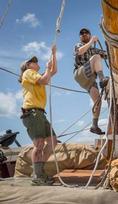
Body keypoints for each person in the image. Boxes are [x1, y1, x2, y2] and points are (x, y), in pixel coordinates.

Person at [19, 45, 58, 185]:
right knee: (39, 143)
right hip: (32, 112)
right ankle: (37, 176)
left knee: (52, 141)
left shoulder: (37, 75)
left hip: (39, 113)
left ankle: (39, 172)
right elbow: (45, 80)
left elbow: (54, 71)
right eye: (33, 61)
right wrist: (47, 69)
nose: (36, 62)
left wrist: (54, 54)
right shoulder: (28, 72)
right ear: (28, 65)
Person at [74, 28, 108, 135]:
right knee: (96, 57)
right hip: (80, 72)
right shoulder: (78, 45)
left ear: (90, 34)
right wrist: (91, 41)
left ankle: (94, 125)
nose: (84, 34)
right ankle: (102, 79)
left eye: (86, 33)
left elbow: (108, 55)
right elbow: (80, 51)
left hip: (90, 80)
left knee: (98, 101)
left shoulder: (94, 50)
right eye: (81, 33)